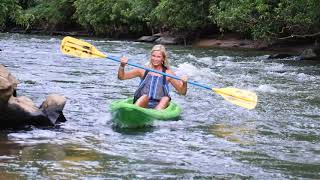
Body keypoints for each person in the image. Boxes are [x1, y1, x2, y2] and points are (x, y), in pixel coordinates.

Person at [118, 44, 188, 110]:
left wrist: (184, 83)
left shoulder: (168, 73)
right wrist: (122, 66)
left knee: (165, 99)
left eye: (158, 57)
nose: (155, 59)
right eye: (153, 56)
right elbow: (122, 77)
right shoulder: (142, 70)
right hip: (141, 103)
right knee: (145, 97)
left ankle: (156, 115)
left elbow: (182, 92)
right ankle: (134, 111)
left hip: (158, 104)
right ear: (151, 56)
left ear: (163, 58)